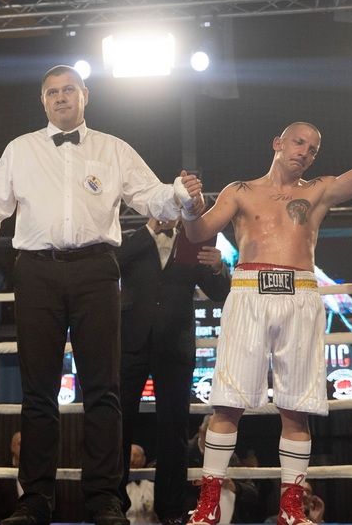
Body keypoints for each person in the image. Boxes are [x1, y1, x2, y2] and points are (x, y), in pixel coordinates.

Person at [0, 65, 204, 525]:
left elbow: (152, 197)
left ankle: (104, 500)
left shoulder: (113, 148)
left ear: (85, 95)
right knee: (38, 390)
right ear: (43, 101)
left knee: (104, 389)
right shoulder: (20, 149)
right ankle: (34, 500)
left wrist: (180, 193)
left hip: (97, 270)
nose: (60, 97)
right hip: (35, 272)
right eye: (52, 92)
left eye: (68, 90)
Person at [181, 85, 352, 525]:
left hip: (300, 294)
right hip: (249, 292)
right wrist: (187, 207)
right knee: (227, 405)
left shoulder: (319, 191)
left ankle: (291, 507)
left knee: (296, 409)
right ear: (278, 143)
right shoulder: (240, 191)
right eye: (299, 143)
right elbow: (199, 233)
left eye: (313, 149)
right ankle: (208, 504)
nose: (306, 153)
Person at [116, 218, 231, 524]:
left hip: (175, 346)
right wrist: (150, 229)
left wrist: (217, 266)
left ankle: (170, 511)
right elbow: (112, 263)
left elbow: (219, 291)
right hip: (130, 341)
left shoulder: (195, 240)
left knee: (174, 428)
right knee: (118, 423)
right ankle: (112, 505)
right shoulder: (133, 238)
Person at [127, 444, 160, 524]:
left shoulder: (153, 488)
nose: (132, 459)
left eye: (136, 455)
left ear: (143, 459)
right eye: (129, 455)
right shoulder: (118, 488)